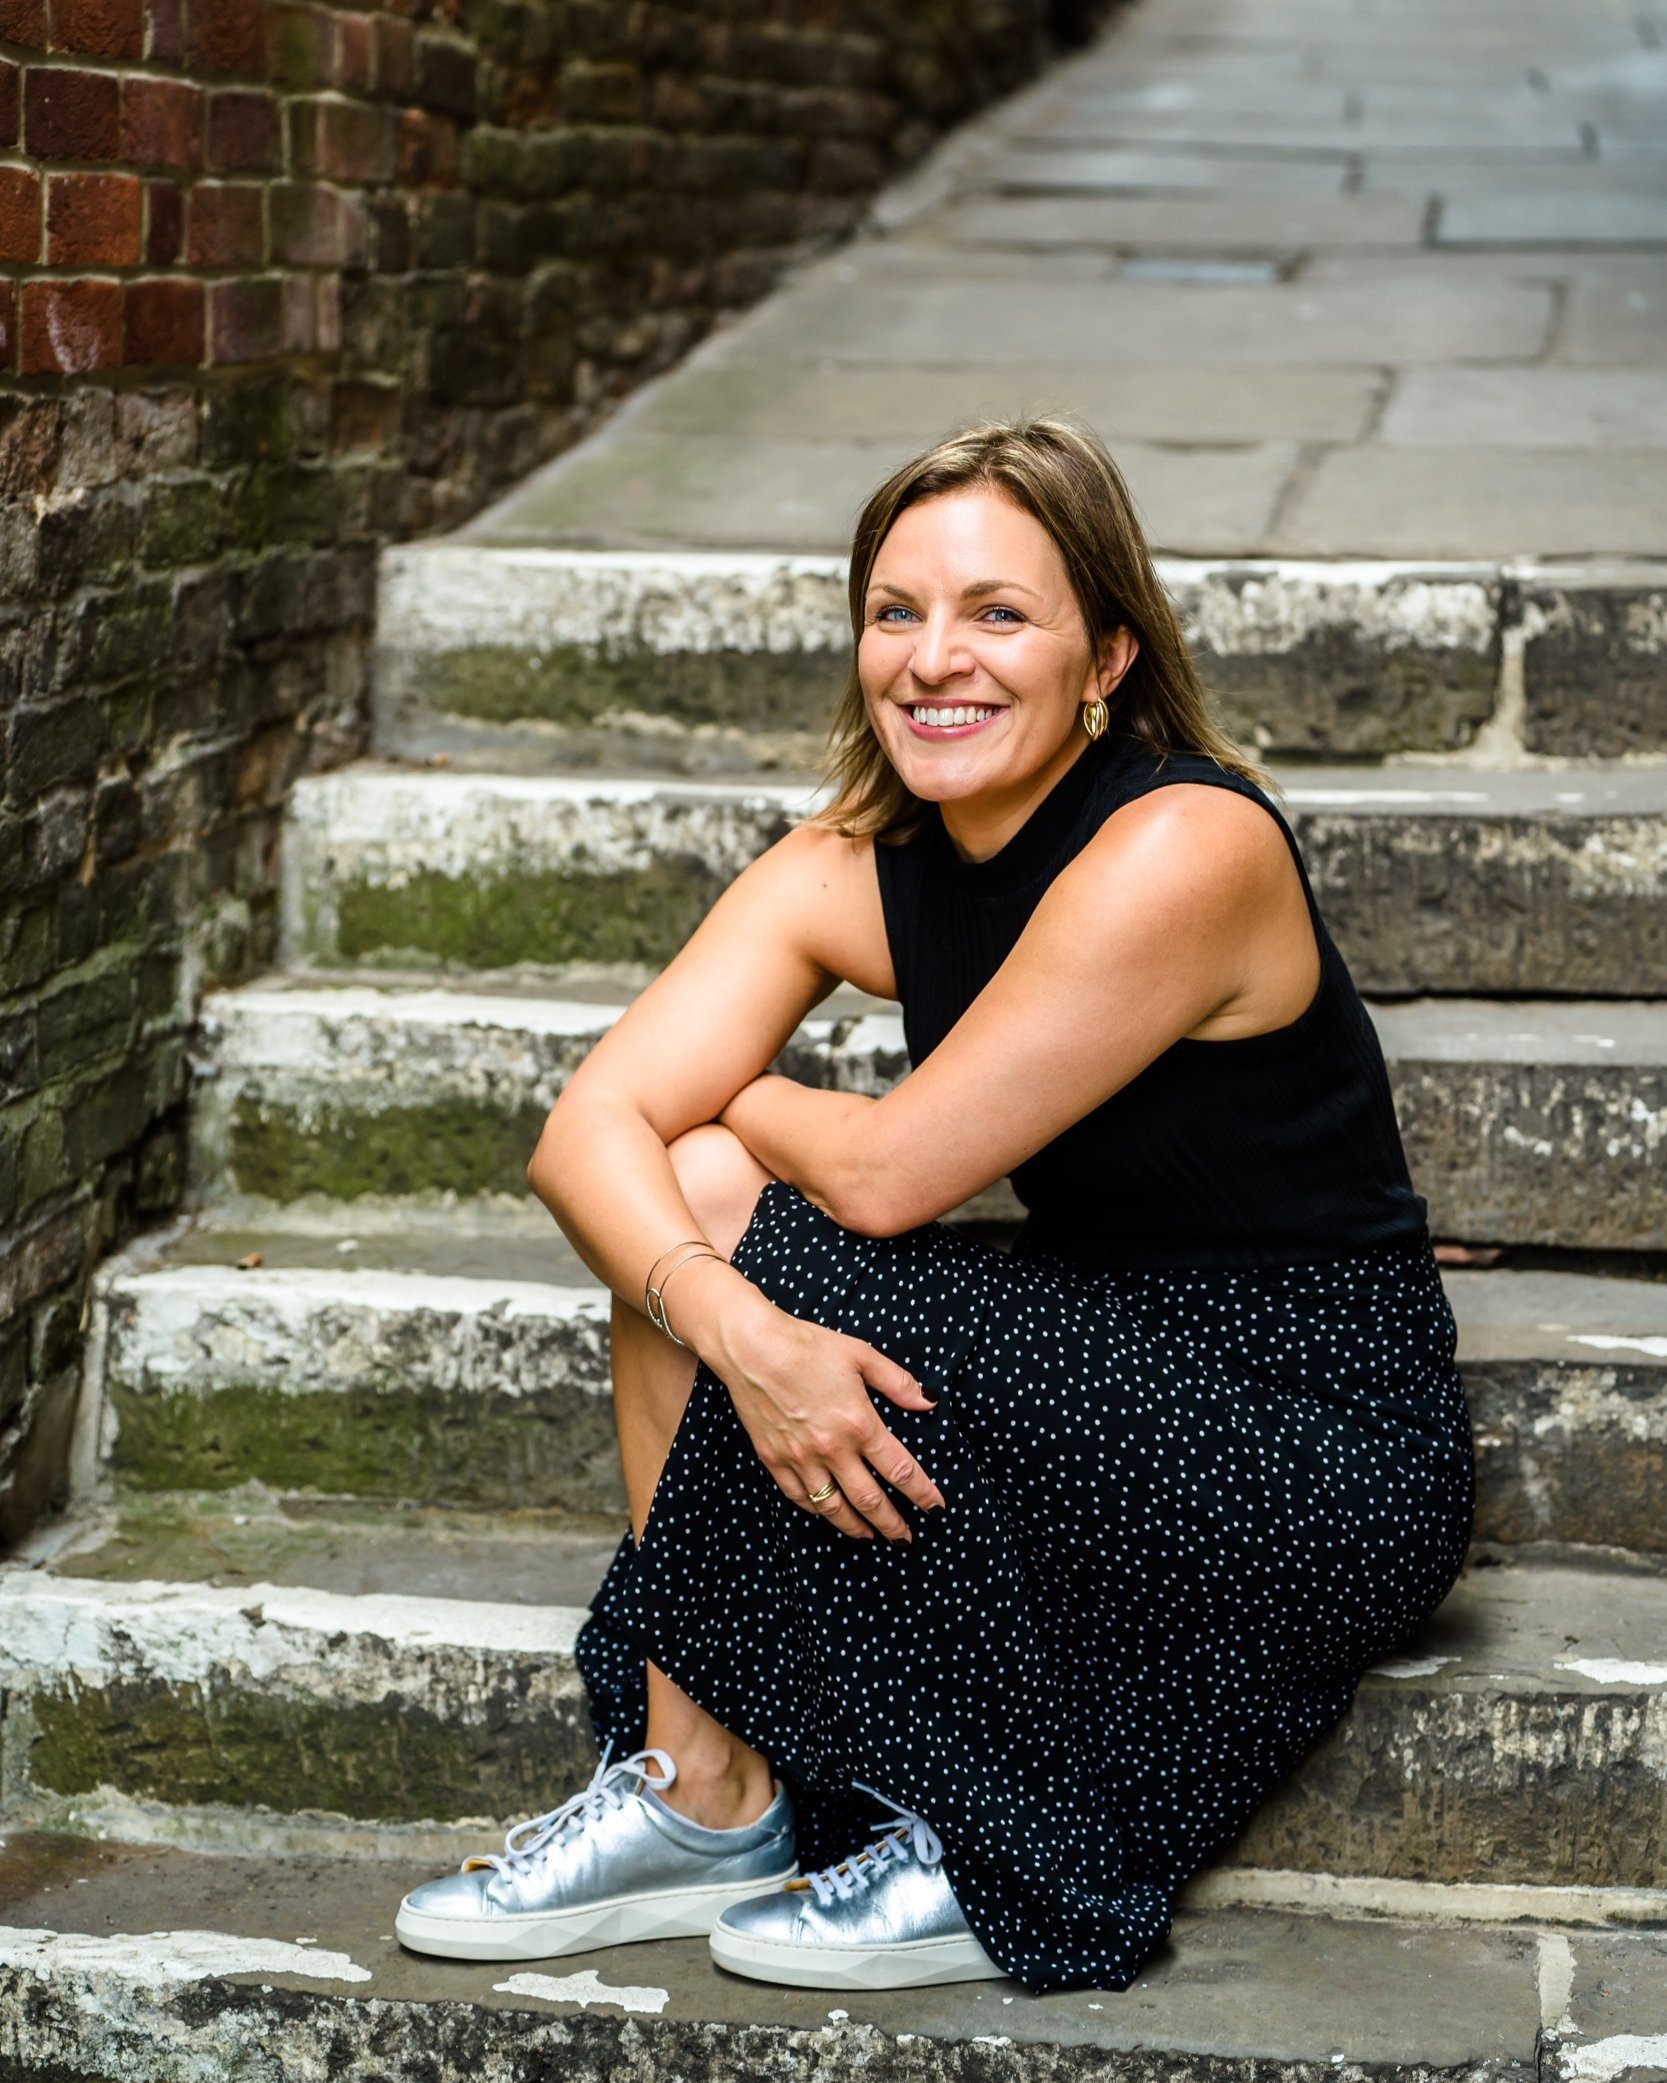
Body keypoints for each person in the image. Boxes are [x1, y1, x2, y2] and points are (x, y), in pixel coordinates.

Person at [394, 418, 1475, 1996]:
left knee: (711, 1157)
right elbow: (585, 1135)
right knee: (686, 1203)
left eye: (997, 613)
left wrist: (729, 1095)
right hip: (1094, 1338)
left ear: (1104, 653)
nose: (932, 658)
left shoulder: (1186, 842)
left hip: (1307, 1427)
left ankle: (980, 1830)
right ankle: (705, 1795)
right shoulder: (854, 863)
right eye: (896, 612)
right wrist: (744, 1327)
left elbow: (894, 1174)